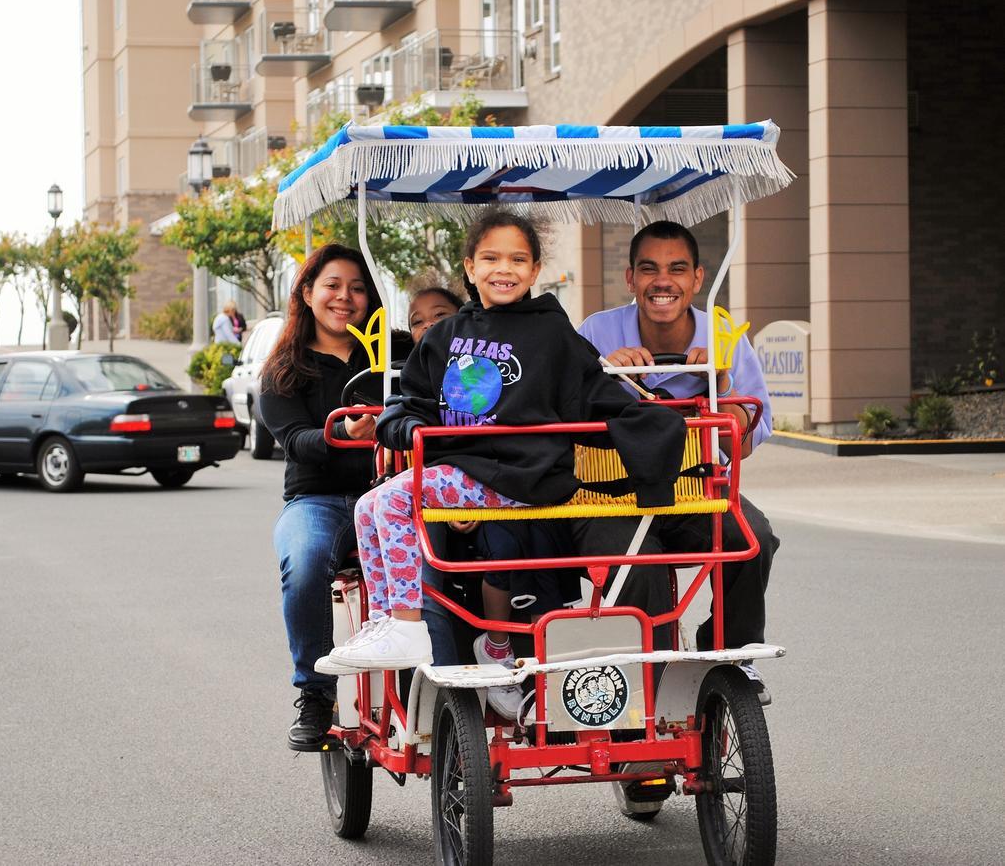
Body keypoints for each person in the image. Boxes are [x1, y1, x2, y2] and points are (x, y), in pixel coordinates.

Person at [315, 210, 686, 679]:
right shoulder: (448, 334)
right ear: (470, 267)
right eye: (491, 258)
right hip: (467, 470)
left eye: (517, 259)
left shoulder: (550, 332)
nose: (504, 269)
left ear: (533, 271)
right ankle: (386, 621)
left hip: (521, 474)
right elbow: (411, 401)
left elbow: (594, 390)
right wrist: (405, 426)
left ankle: (408, 627)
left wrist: (652, 420)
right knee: (368, 506)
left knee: (391, 502)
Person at [578, 220, 779, 691]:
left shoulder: (724, 337)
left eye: (676, 269)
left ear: (697, 278)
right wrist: (605, 377)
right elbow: (563, 427)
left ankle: (728, 654)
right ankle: (648, 681)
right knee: (638, 563)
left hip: (694, 488)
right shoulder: (596, 333)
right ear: (630, 279)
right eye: (648, 269)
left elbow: (740, 446)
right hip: (613, 495)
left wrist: (720, 382)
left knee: (754, 538)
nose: (662, 281)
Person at [256, 244, 384, 751]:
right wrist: (344, 434)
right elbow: (295, 441)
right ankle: (315, 691)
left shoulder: (392, 352)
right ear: (307, 293)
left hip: (392, 492)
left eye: (357, 288)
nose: (345, 297)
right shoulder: (284, 369)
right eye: (333, 285)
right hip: (319, 499)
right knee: (305, 562)